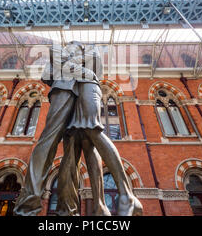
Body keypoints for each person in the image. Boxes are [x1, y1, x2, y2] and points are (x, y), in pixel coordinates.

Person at [13, 41, 101, 216]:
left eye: (80, 50)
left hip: (82, 95)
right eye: (75, 48)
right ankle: (27, 205)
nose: (79, 51)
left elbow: (97, 72)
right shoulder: (57, 48)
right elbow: (61, 67)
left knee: (73, 154)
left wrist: (85, 63)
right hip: (63, 89)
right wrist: (84, 70)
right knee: (49, 139)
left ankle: (67, 210)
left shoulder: (88, 54)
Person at [55, 43, 143, 216]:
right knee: (83, 144)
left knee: (92, 128)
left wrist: (68, 62)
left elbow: (92, 66)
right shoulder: (74, 57)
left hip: (88, 87)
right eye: (68, 48)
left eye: (72, 47)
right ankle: (100, 207)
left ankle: (127, 196)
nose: (69, 49)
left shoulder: (89, 50)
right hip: (74, 94)